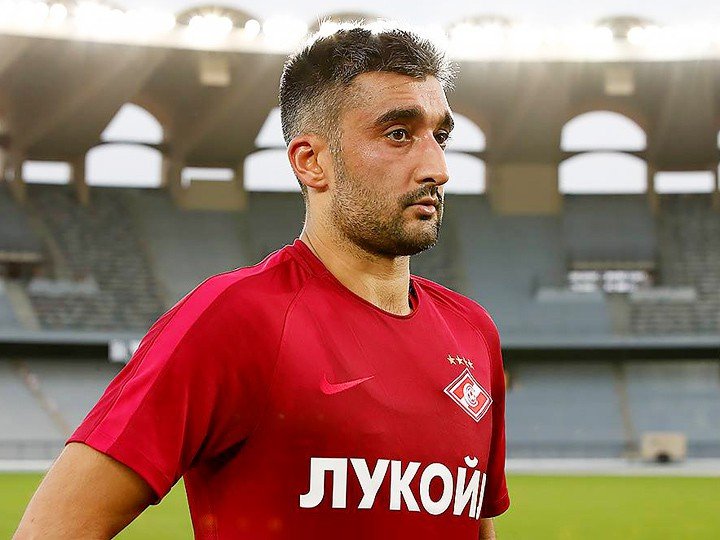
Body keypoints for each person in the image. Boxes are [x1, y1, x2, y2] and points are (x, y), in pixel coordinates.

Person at [15, 23, 509, 539]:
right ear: (312, 162)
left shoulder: (473, 332)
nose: (438, 167)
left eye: (440, 137)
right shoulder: (234, 318)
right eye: (398, 134)